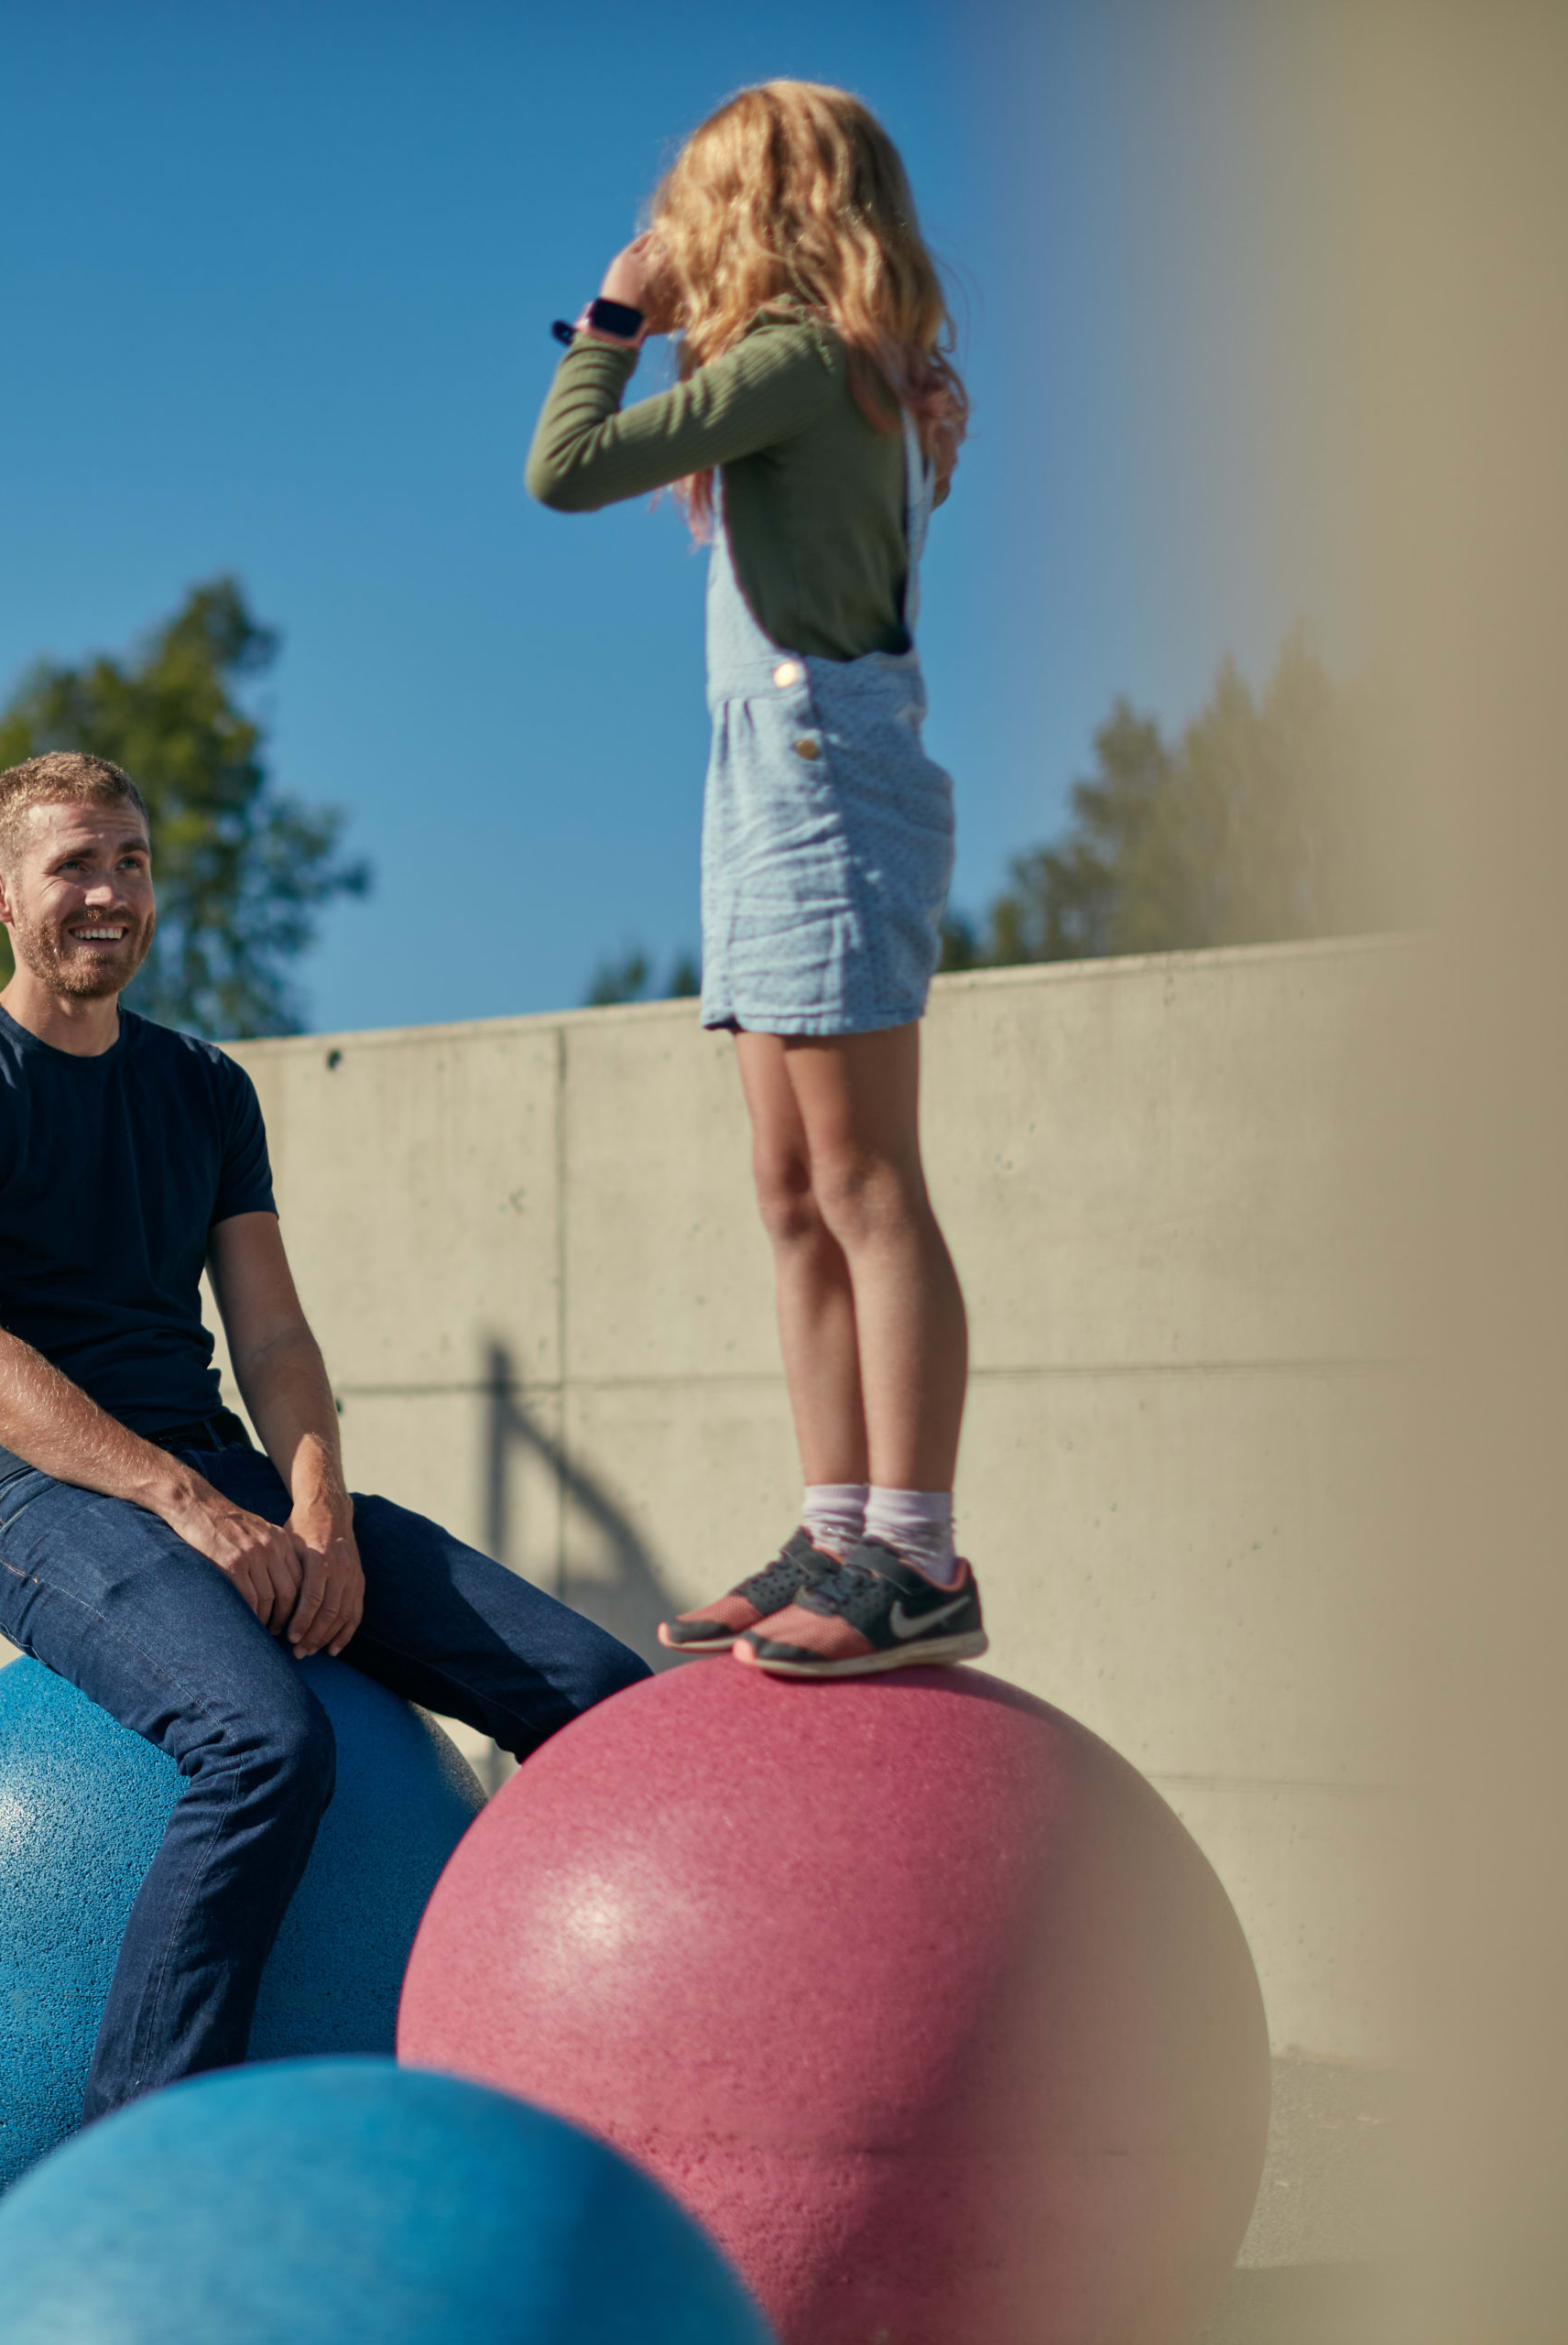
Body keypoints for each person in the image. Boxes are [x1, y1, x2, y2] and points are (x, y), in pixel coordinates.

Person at [0, 751, 649, 2126]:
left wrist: (318, 1513)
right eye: (74, 866)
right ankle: (137, 2144)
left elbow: (274, 1340)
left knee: (600, 1694)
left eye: (133, 861)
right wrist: (191, 1509)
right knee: (263, 1743)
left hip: (213, 1469)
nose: (111, 892)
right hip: (27, 1494)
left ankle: (587, 2067)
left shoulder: (204, 1089)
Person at [527, 80, 984, 1678]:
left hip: (821, 779)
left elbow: (563, 466)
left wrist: (614, 310)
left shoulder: (805, 365)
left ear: (763, 213)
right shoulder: (852, 379)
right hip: (770, 783)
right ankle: (842, 1524)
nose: (673, 236)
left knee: (863, 1186)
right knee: (792, 1194)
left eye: (695, 207)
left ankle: (915, 1554)